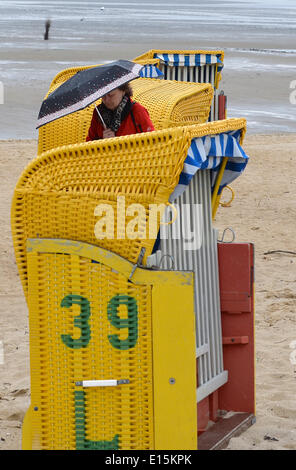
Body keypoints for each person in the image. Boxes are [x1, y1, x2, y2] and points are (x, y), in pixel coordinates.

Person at [86, 82, 155, 141]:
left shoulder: (137, 111)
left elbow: (152, 142)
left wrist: (118, 142)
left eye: (111, 95)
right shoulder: (98, 112)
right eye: (103, 95)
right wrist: (102, 142)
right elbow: (89, 143)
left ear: (123, 91)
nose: (106, 100)